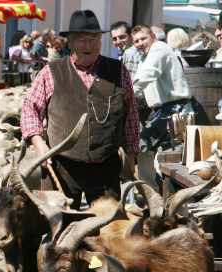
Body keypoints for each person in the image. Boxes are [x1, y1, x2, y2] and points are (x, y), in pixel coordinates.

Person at [21, 10, 139, 210]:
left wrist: (131, 154)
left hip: (106, 166)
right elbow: (30, 109)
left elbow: (131, 115)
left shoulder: (118, 71)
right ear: (70, 42)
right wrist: (39, 144)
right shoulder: (51, 72)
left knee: (106, 230)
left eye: (94, 39)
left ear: (101, 41)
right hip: (61, 166)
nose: (89, 45)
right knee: (61, 229)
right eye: (82, 40)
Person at [132, 25, 191, 153]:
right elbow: (140, 85)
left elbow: (147, 74)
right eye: (136, 41)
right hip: (163, 110)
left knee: (141, 145)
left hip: (175, 109)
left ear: (153, 37)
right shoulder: (145, 57)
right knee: (152, 152)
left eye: (143, 38)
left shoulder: (158, 49)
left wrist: (125, 94)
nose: (140, 43)